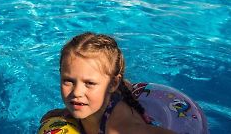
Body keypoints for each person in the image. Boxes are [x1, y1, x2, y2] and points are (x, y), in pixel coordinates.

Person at [41, 32, 176, 134]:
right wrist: (66, 111)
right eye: (68, 81)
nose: (76, 92)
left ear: (112, 84)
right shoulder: (91, 102)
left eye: (89, 83)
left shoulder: (121, 128)